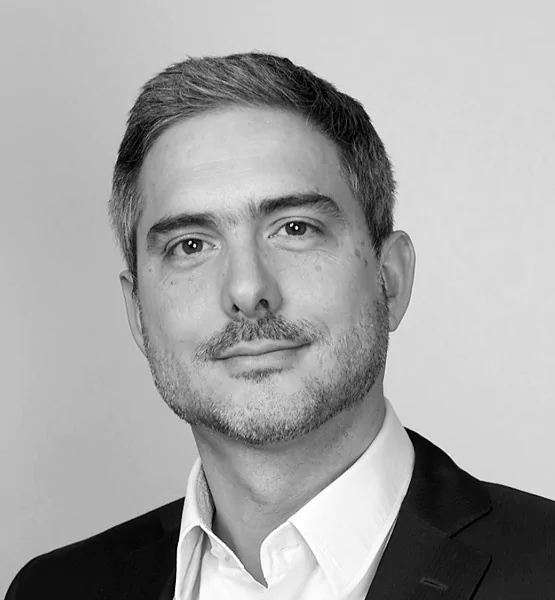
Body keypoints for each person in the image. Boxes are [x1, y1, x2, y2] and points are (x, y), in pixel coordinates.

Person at [6, 52, 555, 600]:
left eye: (295, 228)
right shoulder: (51, 591)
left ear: (389, 279)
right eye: (190, 245)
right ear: (137, 312)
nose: (247, 290)